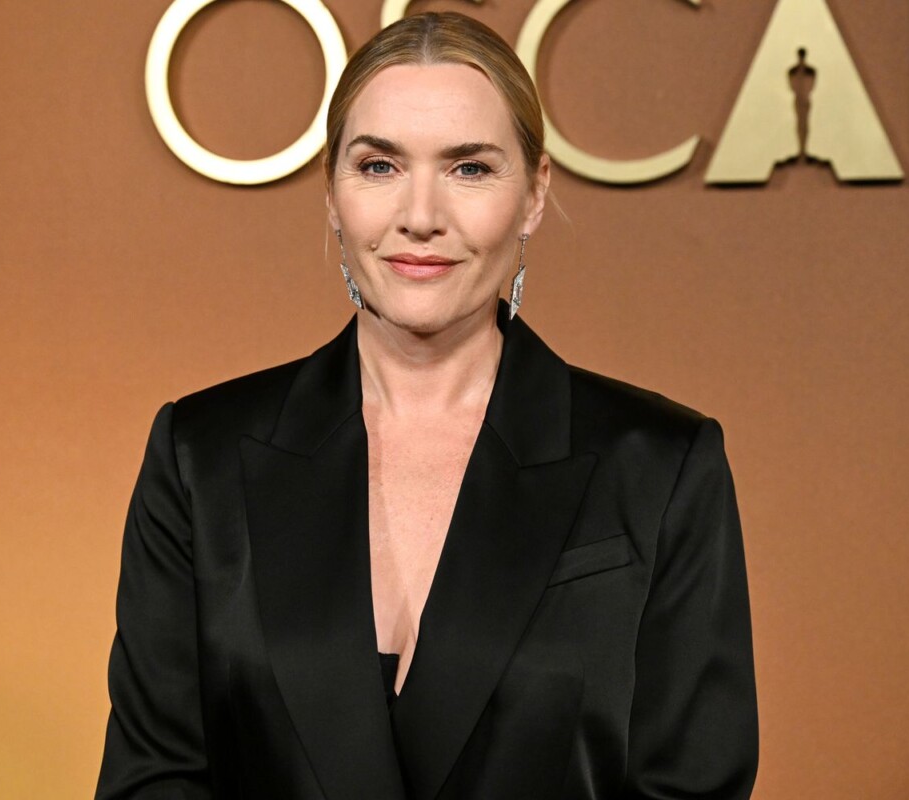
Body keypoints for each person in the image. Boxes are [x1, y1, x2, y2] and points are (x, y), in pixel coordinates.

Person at [95, 12, 757, 800]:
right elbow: (154, 779)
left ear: (535, 194)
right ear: (332, 193)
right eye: (378, 166)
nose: (419, 216)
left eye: (469, 169)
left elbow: (690, 783)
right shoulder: (199, 457)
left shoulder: (662, 466)